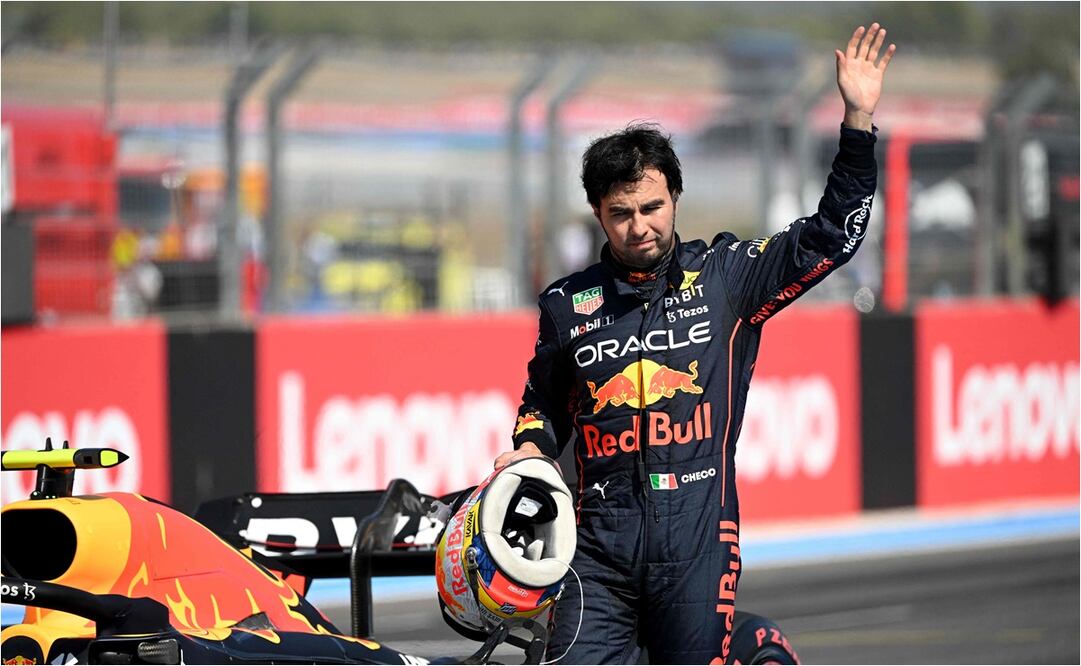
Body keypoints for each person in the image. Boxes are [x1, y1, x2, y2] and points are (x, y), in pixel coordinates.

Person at [493, 23, 896, 664]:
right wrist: (528, 451)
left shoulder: (727, 277)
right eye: (621, 213)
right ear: (598, 213)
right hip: (595, 549)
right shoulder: (567, 305)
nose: (639, 227)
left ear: (675, 197)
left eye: (652, 207)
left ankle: (753, 643)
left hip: (699, 539)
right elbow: (541, 406)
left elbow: (831, 237)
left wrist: (857, 121)